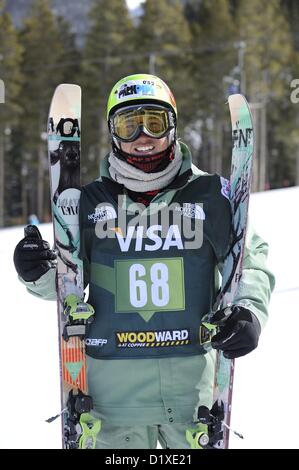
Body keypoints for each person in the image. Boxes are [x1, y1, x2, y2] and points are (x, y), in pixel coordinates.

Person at [13, 74, 275, 449]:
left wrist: (248, 311)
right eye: (128, 124)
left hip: (192, 400)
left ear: (173, 125)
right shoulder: (87, 203)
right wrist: (35, 269)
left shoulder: (211, 196)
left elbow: (249, 261)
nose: (142, 137)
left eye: (154, 122)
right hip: (109, 405)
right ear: (112, 133)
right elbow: (66, 279)